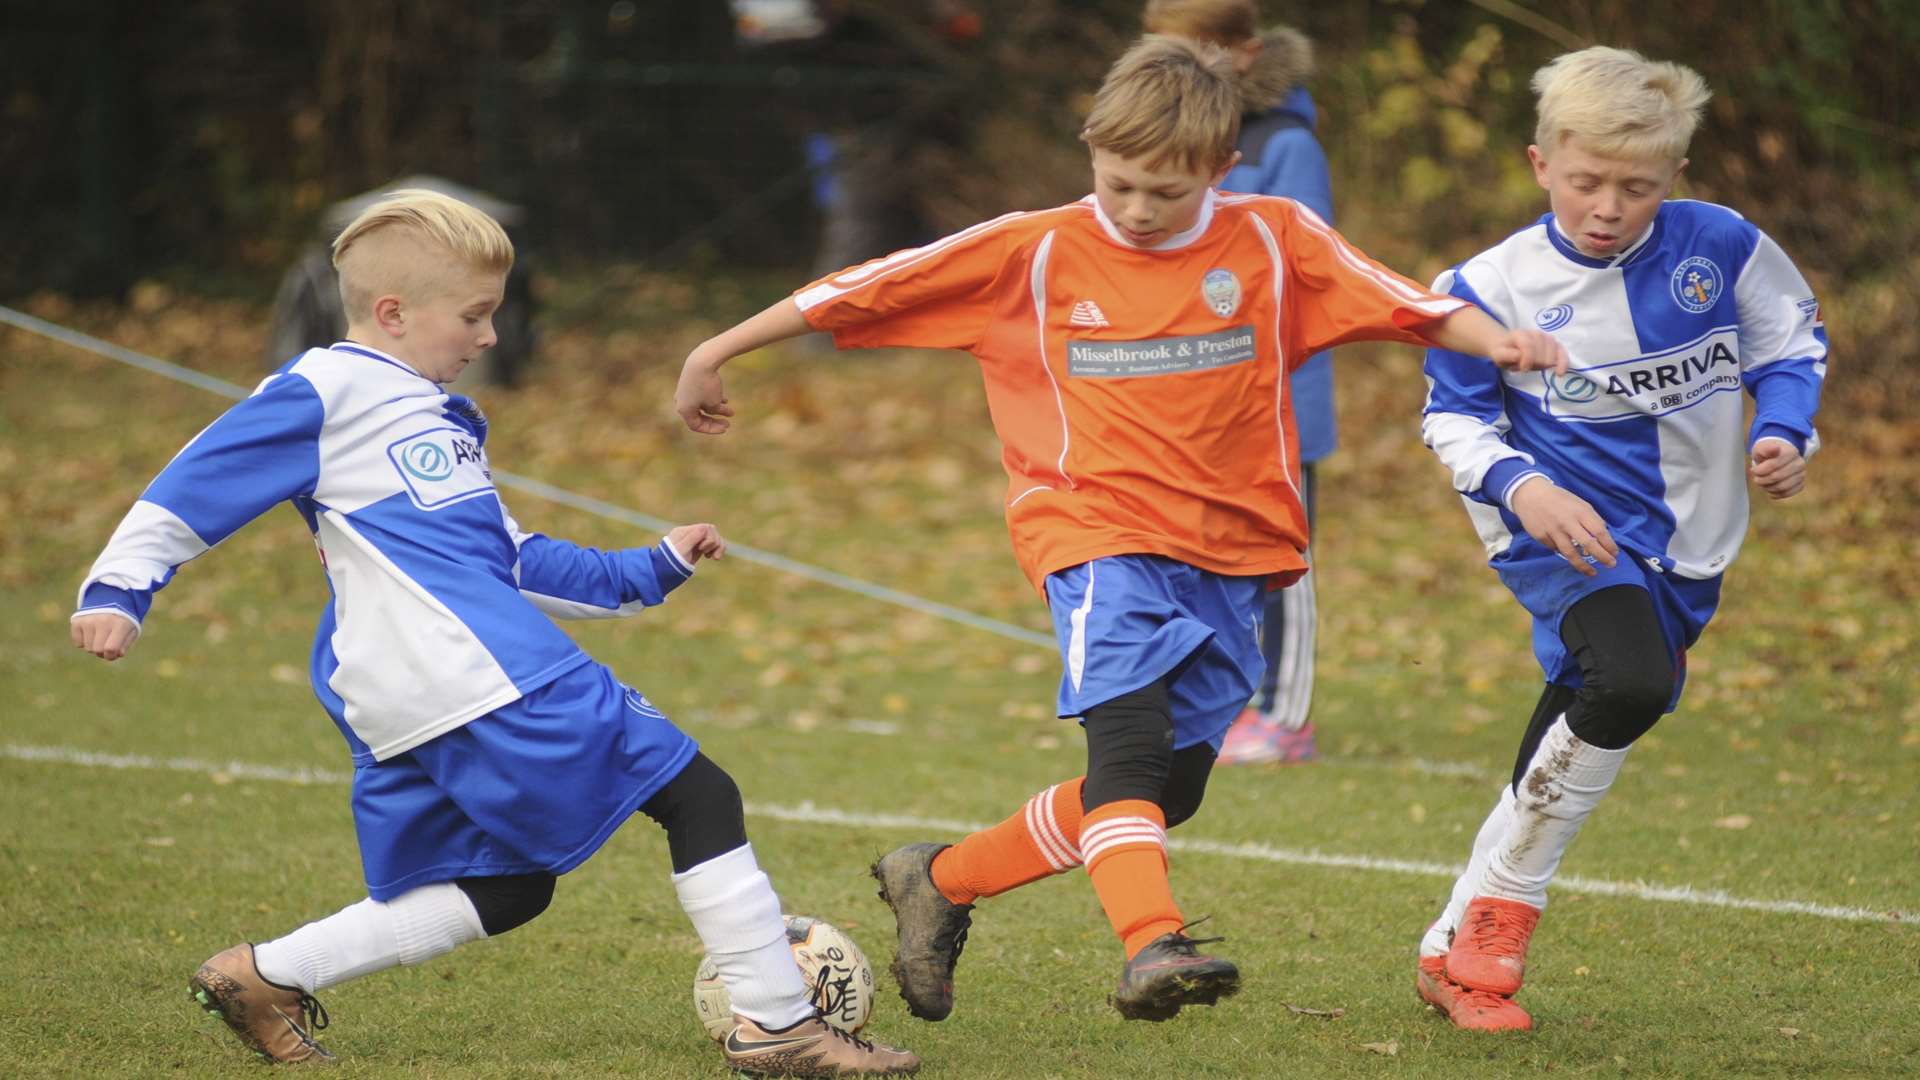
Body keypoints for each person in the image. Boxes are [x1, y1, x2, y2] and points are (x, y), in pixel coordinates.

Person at [673, 37, 1569, 1024]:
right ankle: (1154, 945)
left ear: (1221, 172)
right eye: (1120, 184)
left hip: (1234, 553)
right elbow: (867, 286)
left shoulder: (1275, 240)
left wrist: (1502, 342)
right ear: (1091, 154)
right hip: (1091, 533)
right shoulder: (1038, 247)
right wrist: (717, 349)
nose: (1138, 210)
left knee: (1166, 790)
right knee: (1130, 747)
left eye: (1166, 193)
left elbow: (1412, 306)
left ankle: (942, 878)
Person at [69, 190, 918, 1076]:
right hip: (471, 669)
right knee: (698, 795)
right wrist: (119, 587)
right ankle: (778, 1021)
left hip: (413, 682)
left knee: (505, 888)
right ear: (392, 314)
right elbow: (197, 477)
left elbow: (506, 560)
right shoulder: (331, 385)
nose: (489, 338)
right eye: (473, 316)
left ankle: (263, 974)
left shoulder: (424, 415)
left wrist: (648, 566)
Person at [1414, 46, 1826, 1032]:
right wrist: (1527, 489)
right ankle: (1504, 919)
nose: (1607, 205)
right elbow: (1454, 421)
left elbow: (1790, 339)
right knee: (1629, 683)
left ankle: (1448, 950)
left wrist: (1782, 429)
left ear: (1674, 177)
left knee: (1581, 720)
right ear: (1540, 163)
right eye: (1587, 180)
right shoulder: (1483, 286)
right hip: (1563, 538)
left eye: (1636, 187)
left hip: (1690, 545)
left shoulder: (1721, 244)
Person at [1142, 0, 1336, 766]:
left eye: (1189, 51)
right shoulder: (1152, 152)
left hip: (1274, 400)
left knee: (1277, 554)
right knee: (1190, 554)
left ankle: (1286, 716)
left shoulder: (1284, 145)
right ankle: (1214, 699)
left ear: (1243, 54)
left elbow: (1308, 265)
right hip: (1182, 401)